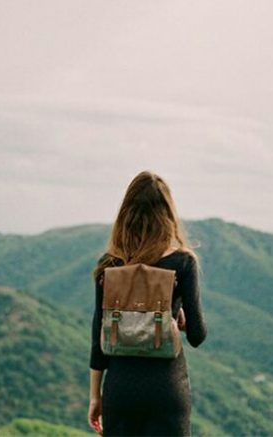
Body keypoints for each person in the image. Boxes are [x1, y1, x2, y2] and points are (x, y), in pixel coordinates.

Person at [87, 170, 208, 437]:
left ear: (126, 213)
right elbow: (198, 336)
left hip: (121, 390)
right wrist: (183, 322)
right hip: (166, 389)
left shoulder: (109, 266)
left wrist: (96, 397)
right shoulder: (183, 263)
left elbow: (98, 341)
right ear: (167, 214)